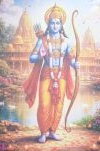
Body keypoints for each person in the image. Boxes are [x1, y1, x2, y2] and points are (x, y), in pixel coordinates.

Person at [23, 4, 78, 143]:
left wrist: (75, 64)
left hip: (61, 77)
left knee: (58, 104)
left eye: (57, 23)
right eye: (52, 23)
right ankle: (43, 132)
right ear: (48, 24)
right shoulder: (42, 40)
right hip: (46, 75)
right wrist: (40, 55)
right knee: (44, 104)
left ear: (61, 24)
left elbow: (71, 58)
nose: (55, 26)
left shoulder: (66, 41)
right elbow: (31, 58)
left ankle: (52, 131)